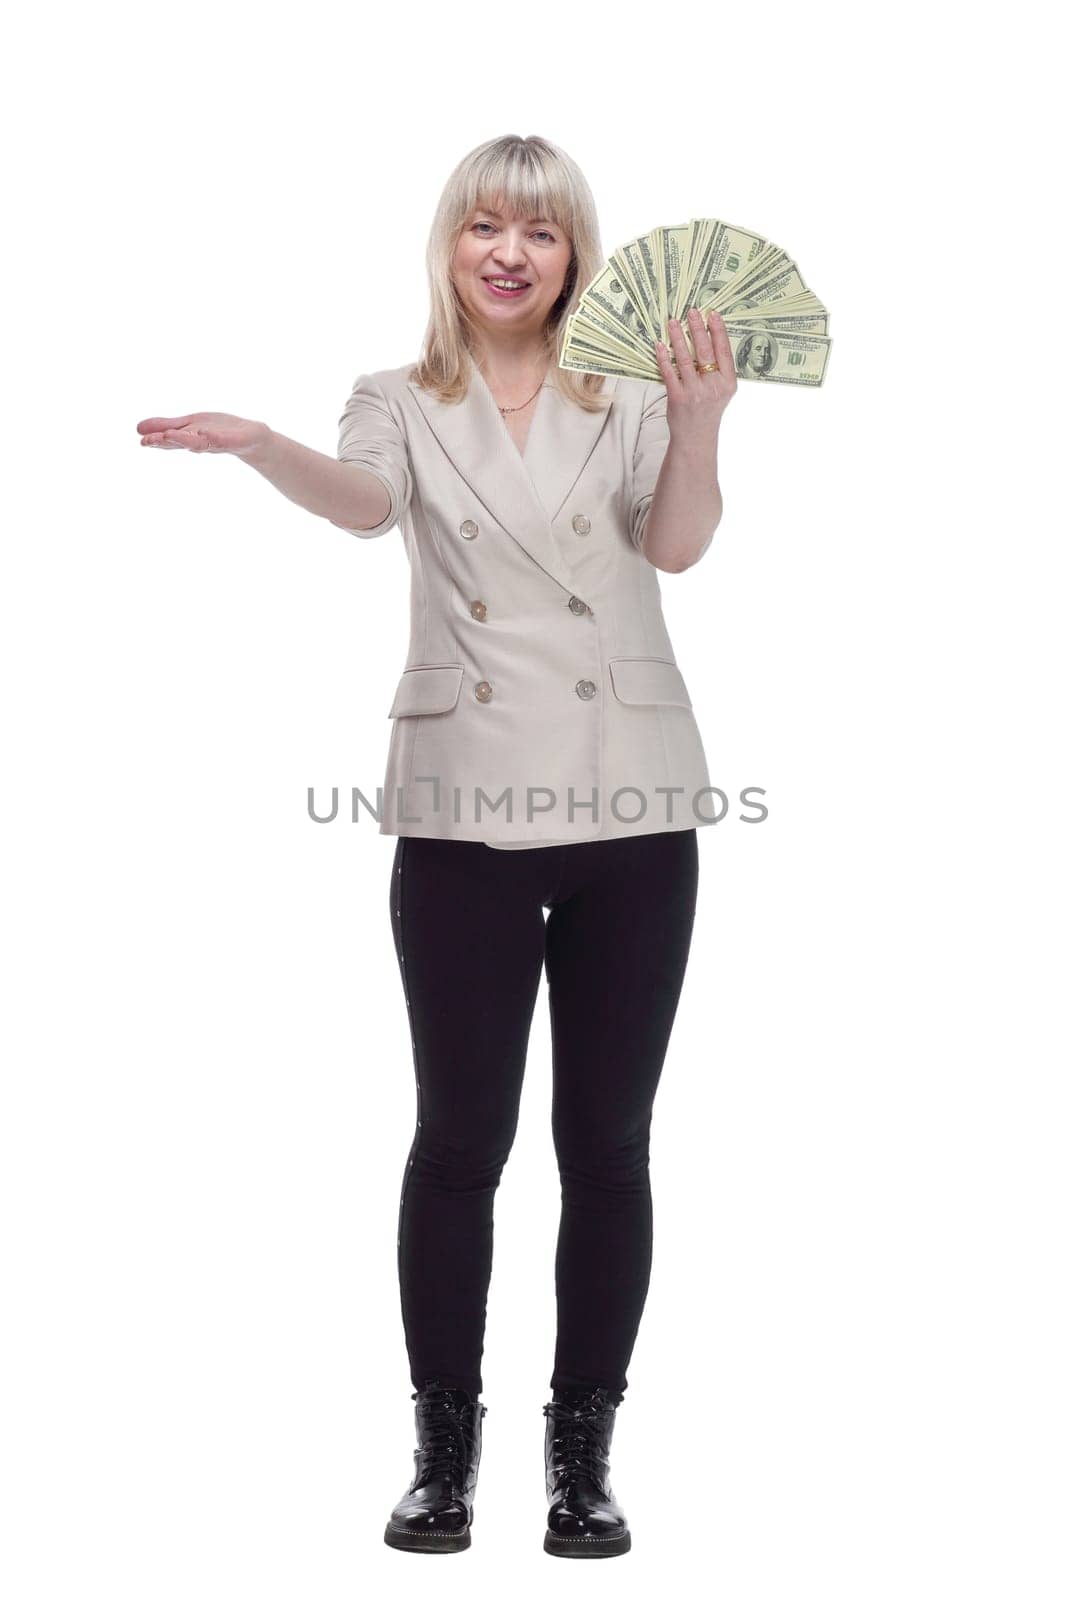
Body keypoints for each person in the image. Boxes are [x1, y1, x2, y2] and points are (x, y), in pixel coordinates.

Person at [136, 132, 736, 1559]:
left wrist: (703, 420)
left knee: (610, 1146)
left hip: (632, 803)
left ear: (574, 252)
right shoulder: (395, 399)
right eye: (484, 226)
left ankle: (582, 1464)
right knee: (459, 1141)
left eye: (536, 229)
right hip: (466, 800)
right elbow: (363, 508)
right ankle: (443, 1460)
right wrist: (264, 448)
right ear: (451, 248)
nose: (508, 252)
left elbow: (677, 550)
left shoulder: (634, 396)